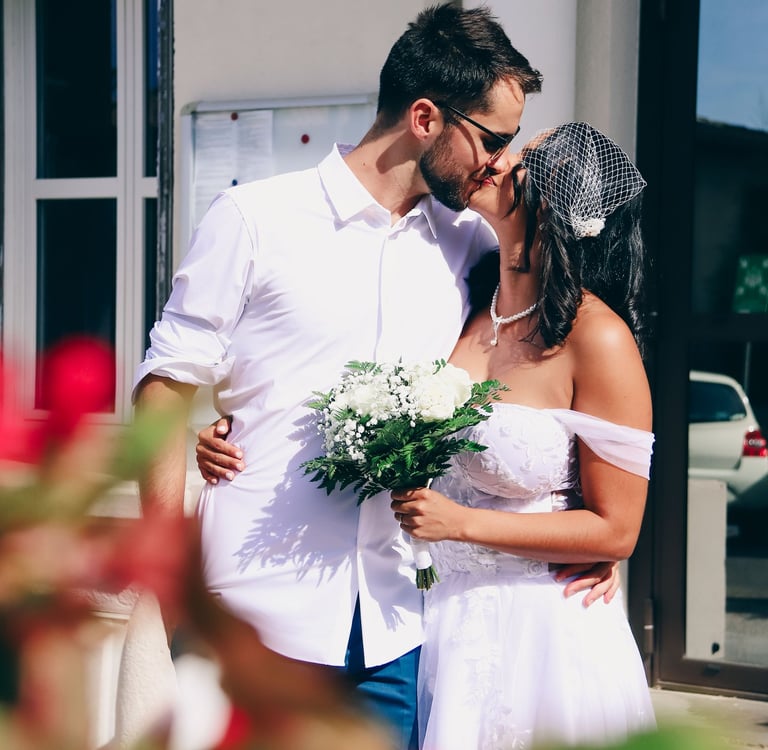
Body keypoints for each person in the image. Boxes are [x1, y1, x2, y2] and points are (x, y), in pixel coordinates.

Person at [136, 5, 617, 748]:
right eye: (493, 138)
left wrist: (592, 529)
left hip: (397, 624)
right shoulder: (255, 218)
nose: (500, 162)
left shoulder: (468, 245)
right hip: (258, 613)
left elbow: (546, 364)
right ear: (426, 117)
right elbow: (166, 385)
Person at [386, 122, 656, 749]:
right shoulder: (468, 303)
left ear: (564, 204)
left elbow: (617, 529)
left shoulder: (598, 338)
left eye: (528, 159)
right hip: (446, 628)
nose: (500, 160)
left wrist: (461, 524)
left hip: (544, 643)